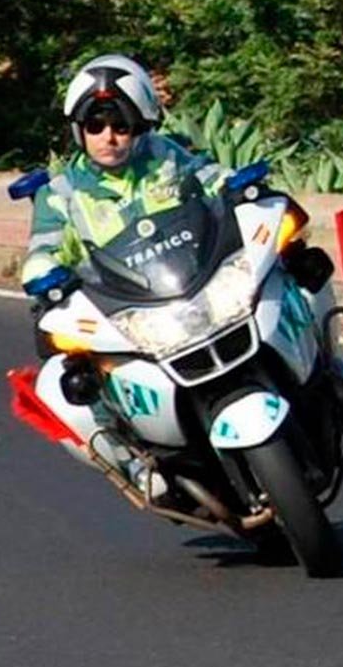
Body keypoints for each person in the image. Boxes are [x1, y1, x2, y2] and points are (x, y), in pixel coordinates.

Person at [19, 53, 233, 499]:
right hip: (124, 314)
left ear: (139, 125)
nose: (109, 136)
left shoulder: (167, 158)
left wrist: (238, 186)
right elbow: (42, 250)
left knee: (292, 260)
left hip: (194, 289)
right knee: (63, 382)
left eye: (120, 124)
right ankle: (137, 464)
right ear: (79, 129)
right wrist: (44, 275)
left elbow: (211, 178)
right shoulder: (61, 194)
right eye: (95, 125)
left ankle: (328, 369)